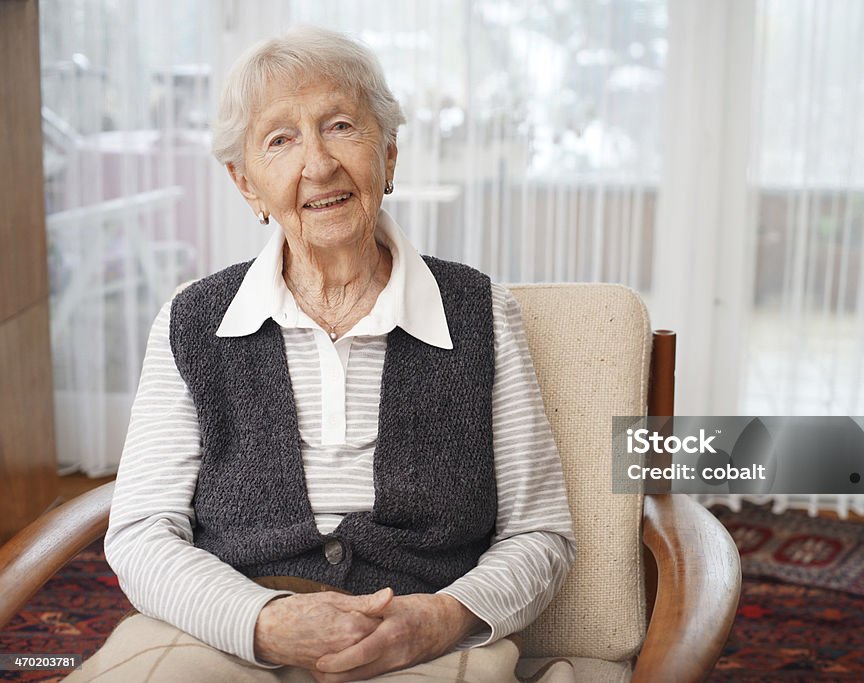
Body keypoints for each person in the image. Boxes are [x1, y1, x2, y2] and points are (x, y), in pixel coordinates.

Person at [66, 25, 575, 683]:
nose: (318, 164)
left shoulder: (480, 313)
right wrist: (263, 620)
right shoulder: (193, 320)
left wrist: (442, 617)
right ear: (246, 183)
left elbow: (541, 536)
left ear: (389, 155)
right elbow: (140, 535)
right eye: (281, 140)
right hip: (223, 636)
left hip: (425, 638)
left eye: (339, 126)